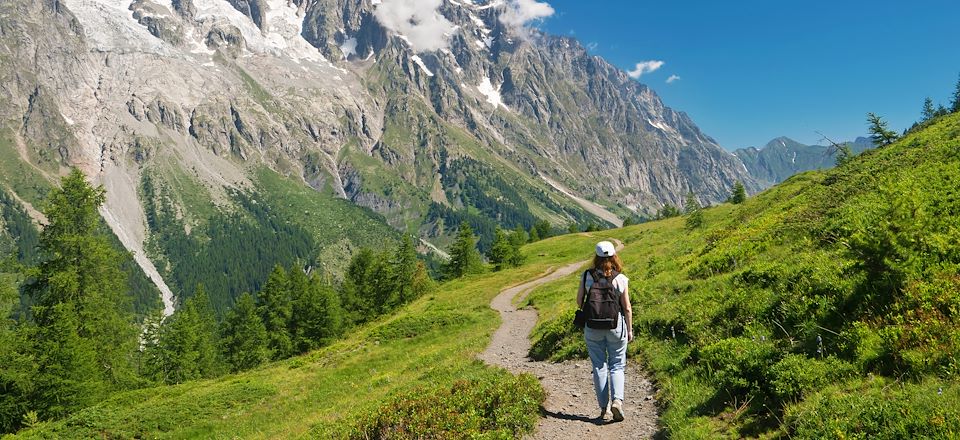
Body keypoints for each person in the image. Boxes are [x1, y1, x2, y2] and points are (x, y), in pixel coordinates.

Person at [577, 240, 633, 422]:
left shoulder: (587, 276)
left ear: (596, 257)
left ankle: (604, 409)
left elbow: (579, 302)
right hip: (616, 325)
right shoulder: (620, 278)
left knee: (599, 366)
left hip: (592, 326)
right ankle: (617, 401)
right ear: (614, 256)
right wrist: (630, 330)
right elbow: (627, 308)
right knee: (617, 364)